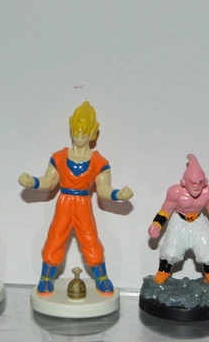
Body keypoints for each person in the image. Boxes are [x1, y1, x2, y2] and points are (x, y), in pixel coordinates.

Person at [19, 101, 133, 295]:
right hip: (64, 203)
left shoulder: (99, 162)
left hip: (83, 204)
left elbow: (103, 189)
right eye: (76, 131)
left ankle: (101, 277)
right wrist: (33, 182)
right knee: (55, 237)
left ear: (92, 133)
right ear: (71, 131)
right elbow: (49, 181)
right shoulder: (59, 157)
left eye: (84, 132)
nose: (79, 136)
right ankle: (46, 277)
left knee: (90, 239)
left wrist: (118, 194)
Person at [148, 154, 209, 284]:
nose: (196, 186)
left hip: (198, 221)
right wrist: (156, 225)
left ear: (205, 182)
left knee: (206, 248)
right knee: (171, 249)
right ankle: (162, 274)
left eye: (200, 182)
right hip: (179, 221)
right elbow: (165, 210)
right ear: (184, 182)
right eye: (192, 182)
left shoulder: (208, 192)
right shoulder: (175, 192)